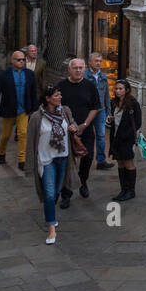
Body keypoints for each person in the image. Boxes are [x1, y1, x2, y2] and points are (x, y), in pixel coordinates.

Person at [26, 86, 80, 244]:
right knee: (49, 194)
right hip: (46, 160)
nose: (60, 97)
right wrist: (29, 165)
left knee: (56, 192)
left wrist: (74, 128)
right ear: (48, 98)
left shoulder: (65, 111)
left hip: (62, 158)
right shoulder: (36, 118)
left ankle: (50, 212)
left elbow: (74, 125)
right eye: (57, 95)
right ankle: (51, 228)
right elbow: (30, 143)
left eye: (60, 94)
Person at [55, 58, 101, 205]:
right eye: (75, 68)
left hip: (85, 129)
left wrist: (84, 124)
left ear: (84, 69)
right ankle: (66, 194)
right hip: (66, 130)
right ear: (69, 69)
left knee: (87, 159)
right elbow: (55, 107)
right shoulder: (61, 86)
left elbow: (95, 107)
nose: (78, 70)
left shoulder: (90, 86)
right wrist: (69, 125)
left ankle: (82, 181)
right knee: (67, 162)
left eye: (81, 68)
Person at [0, 49, 37, 170]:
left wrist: (34, 107)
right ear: (12, 60)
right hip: (8, 109)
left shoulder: (29, 74)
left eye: (23, 59)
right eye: (18, 59)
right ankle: (1, 153)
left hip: (23, 109)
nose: (21, 61)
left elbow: (33, 92)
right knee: (5, 135)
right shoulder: (4, 75)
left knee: (23, 134)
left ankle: (22, 161)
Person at [108, 80, 142, 202]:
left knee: (128, 163)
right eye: (116, 89)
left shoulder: (133, 104)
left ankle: (131, 190)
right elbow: (115, 120)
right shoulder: (114, 103)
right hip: (116, 138)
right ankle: (123, 189)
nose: (118, 91)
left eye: (120, 89)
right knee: (120, 163)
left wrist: (126, 135)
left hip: (126, 139)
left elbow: (137, 123)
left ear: (126, 90)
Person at [84, 52, 114, 171]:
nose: (98, 63)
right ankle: (86, 158)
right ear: (90, 62)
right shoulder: (85, 76)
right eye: (96, 61)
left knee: (101, 135)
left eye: (100, 61)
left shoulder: (103, 77)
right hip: (88, 111)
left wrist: (108, 111)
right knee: (87, 135)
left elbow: (107, 95)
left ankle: (101, 160)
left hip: (100, 110)